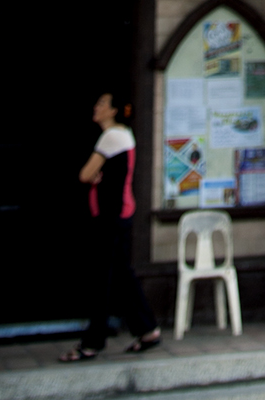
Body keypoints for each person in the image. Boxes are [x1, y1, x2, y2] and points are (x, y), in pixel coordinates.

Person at [60, 92, 160, 360]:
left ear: (114, 110)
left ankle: (92, 343)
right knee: (121, 274)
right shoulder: (123, 135)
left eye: (102, 103)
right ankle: (147, 330)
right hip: (118, 214)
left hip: (111, 217)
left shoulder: (111, 136)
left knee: (102, 278)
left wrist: (94, 176)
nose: (96, 107)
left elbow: (85, 174)